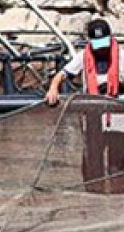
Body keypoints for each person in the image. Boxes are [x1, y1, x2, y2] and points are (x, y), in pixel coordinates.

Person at [45, 18, 124, 194]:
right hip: (93, 117)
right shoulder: (83, 56)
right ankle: (93, 197)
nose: (101, 49)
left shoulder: (122, 56)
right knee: (92, 162)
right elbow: (62, 74)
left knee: (116, 165)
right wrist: (53, 88)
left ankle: (118, 199)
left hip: (118, 119)